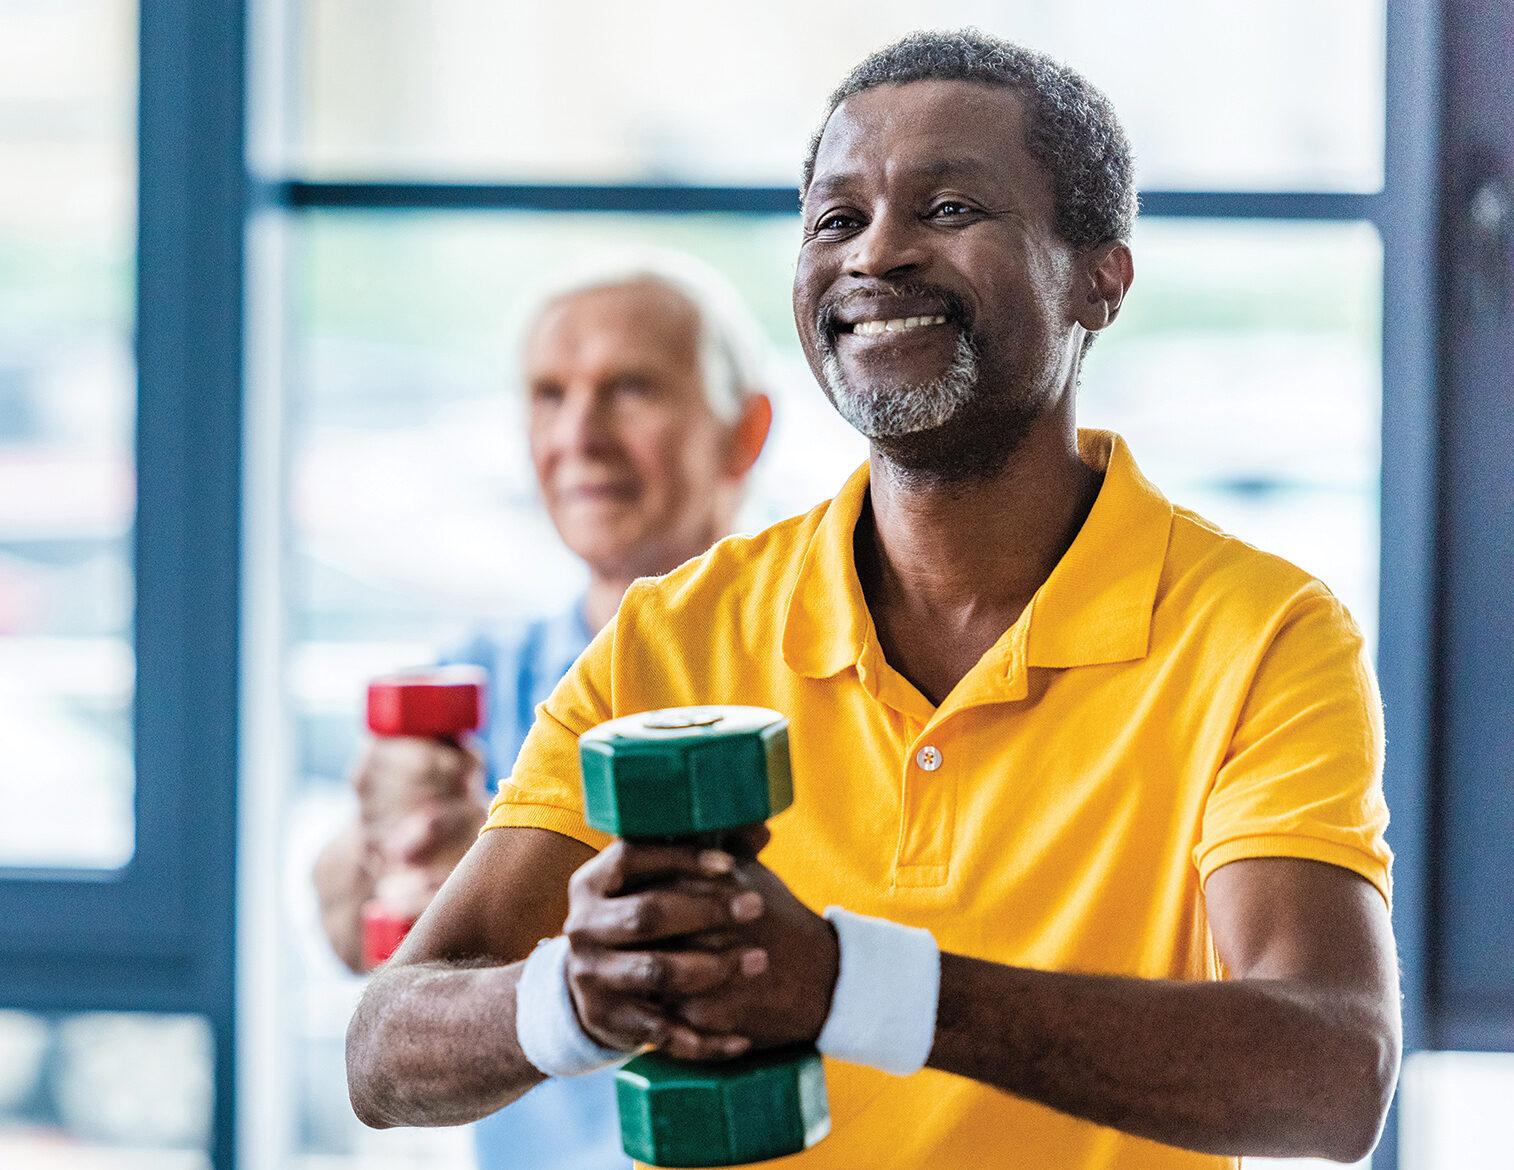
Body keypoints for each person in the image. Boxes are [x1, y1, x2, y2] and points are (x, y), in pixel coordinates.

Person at [343, 30, 1398, 1169]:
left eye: (947, 209)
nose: (876, 255)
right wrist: (578, 993)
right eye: (836, 220)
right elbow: (383, 1051)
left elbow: (1331, 1075)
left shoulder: (1261, 634)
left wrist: (857, 987)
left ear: (1103, 275)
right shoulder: (677, 633)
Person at [313, 250, 775, 1170]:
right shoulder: (483, 680)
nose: (580, 435)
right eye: (548, 395)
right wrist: (394, 835)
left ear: (745, 431)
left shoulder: (820, 657)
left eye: (631, 389)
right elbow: (341, 922)